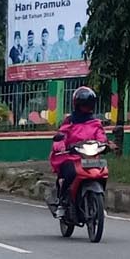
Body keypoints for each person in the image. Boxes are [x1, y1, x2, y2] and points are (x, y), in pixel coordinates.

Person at [48, 84, 106, 217]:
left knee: (103, 170)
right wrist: (61, 145)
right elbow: (61, 136)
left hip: (90, 157)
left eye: (89, 105)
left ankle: (99, 202)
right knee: (69, 173)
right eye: (84, 105)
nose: (87, 108)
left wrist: (105, 145)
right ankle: (62, 202)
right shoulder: (70, 121)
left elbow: (101, 136)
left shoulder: (95, 123)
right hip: (72, 158)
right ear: (77, 105)